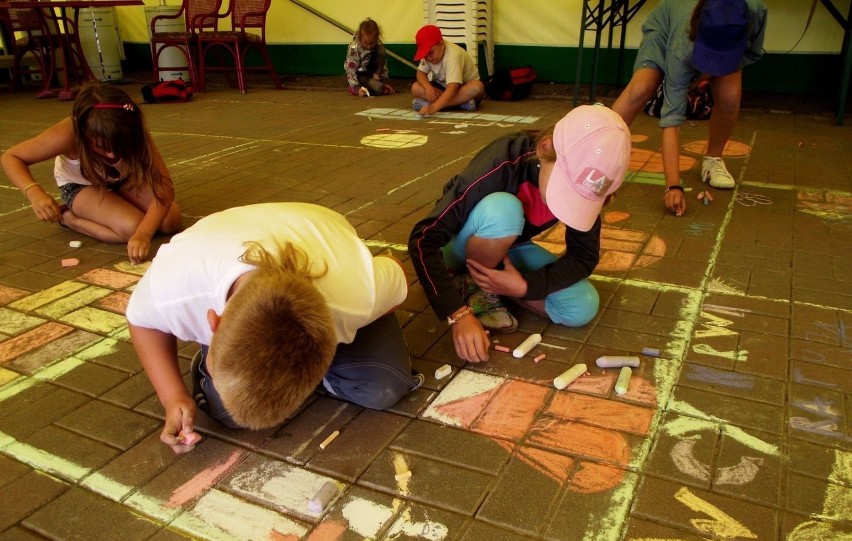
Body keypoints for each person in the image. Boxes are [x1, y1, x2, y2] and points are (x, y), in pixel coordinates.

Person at [126, 202, 422, 453]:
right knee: (229, 410)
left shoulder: (355, 296)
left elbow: (398, 273)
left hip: (323, 235)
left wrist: (366, 309)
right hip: (221, 236)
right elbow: (141, 321)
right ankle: (222, 368)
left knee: (384, 386)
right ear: (214, 322)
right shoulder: (175, 285)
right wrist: (173, 396)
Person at [408, 104, 631, 363]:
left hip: (509, 245)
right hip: (459, 243)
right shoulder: (504, 160)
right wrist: (457, 313)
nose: (568, 204)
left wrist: (525, 286)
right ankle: (466, 284)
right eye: (566, 190)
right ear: (545, 149)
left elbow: (583, 257)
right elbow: (422, 239)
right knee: (504, 210)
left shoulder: (591, 181)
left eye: (581, 200)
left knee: (582, 306)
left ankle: (487, 285)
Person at [611, 0, 767, 217]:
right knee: (641, 87)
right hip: (667, 30)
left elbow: (751, 52)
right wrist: (673, 185)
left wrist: (706, 74)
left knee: (730, 97)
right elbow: (671, 120)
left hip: (726, 45)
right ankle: (592, 150)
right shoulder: (682, 47)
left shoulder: (754, 11)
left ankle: (713, 161)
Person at [0, 81, 181, 265]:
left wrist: (144, 234)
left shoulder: (130, 126)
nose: (112, 154)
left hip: (120, 180)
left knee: (169, 220)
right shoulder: (67, 133)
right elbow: (11, 157)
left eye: (119, 147)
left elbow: (164, 189)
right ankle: (70, 219)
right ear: (83, 133)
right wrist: (34, 192)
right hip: (81, 187)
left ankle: (120, 206)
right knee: (131, 228)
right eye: (102, 147)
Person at [410, 24, 485, 115]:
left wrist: (433, 108)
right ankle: (460, 104)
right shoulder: (428, 56)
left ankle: (437, 104)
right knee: (415, 88)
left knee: (477, 86)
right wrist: (428, 87)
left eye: (431, 53)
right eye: (425, 55)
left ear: (441, 44)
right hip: (444, 88)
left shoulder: (453, 55)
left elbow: (452, 88)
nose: (428, 58)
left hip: (461, 88)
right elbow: (420, 73)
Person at [344, 18, 394, 97]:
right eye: (365, 43)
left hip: (372, 74)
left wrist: (385, 82)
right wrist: (357, 88)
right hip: (359, 75)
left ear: (377, 38)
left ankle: (373, 85)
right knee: (378, 88)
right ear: (360, 38)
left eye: (372, 43)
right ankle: (354, 88)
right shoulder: (355, 48)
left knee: (383, 89)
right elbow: (350, 71)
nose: (368, 46)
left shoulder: (379, 46)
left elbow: (383, 65)